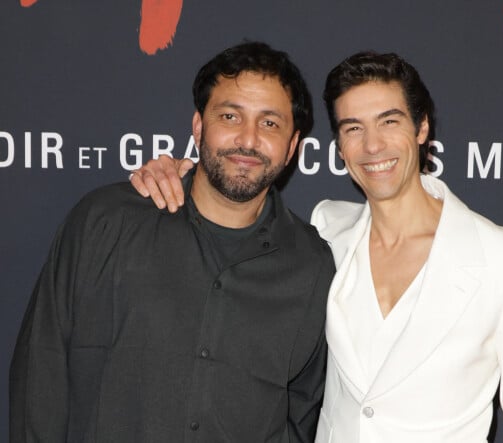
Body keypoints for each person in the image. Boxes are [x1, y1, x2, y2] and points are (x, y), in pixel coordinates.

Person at [131, 50, 503, 442]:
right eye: (353, 128)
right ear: (339, 146)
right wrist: (172, 174)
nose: (372, 145)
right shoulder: (326, 231)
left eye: (389, 121)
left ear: (422, 127)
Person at [9, 42, 335, 443]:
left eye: (270, 123)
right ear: (199, 126)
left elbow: (303, 415)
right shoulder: (105, 220)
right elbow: (40, 373)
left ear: (292, 146)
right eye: (230, 116)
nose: (247, 140)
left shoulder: (313, 266)